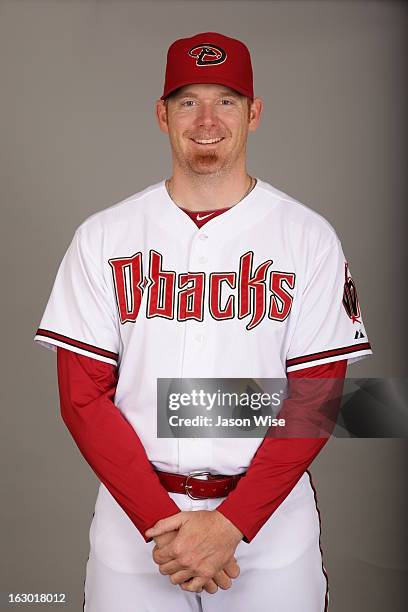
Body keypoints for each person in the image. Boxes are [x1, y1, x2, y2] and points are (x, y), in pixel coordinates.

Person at [34, 32, 373, 611]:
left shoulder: (308, 237)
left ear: (255, 113)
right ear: (162, 115)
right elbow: (81, 397)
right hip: (136, 524)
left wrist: (231, 524)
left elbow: (317, 397)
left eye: (228, 100)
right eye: (189, 100)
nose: (207, 119)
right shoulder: (103, 237)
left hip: (269, 525)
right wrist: (163, 526)